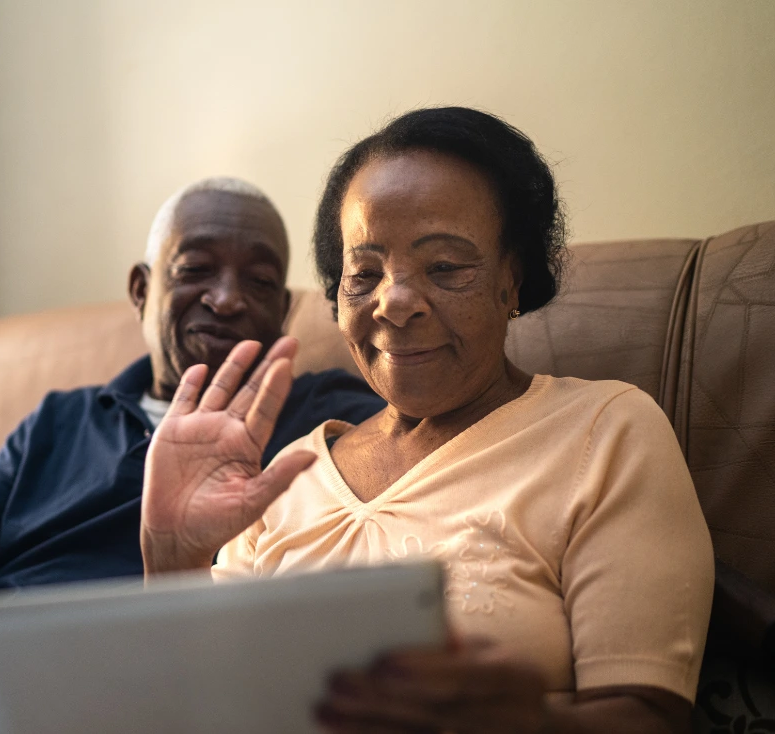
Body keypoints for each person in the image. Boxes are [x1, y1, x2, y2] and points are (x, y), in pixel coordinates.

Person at [139, 109, 715, 733]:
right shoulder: (288, 475)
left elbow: (650, 718)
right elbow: (191, 709)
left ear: (512, 281)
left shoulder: (605, 432)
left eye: (445, 267)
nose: (395, 302)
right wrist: (172, 560)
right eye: (364, 274)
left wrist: (529, 724)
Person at [0, 177, 385, 734]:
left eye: (258, 281)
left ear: (282, 314)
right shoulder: (57, 421)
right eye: (196, 268)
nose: (226, 299)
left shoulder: (328, 417)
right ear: (142, 290)